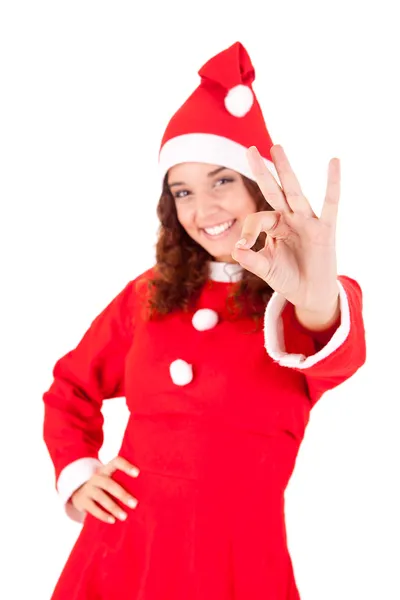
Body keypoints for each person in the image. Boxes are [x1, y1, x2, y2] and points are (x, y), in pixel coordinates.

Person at [42, 41, 366, 600]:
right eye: (183, 191)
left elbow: (335, 347)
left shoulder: (302, 304)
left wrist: (314, 295)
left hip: (236, 567)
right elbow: (70, 387)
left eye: (222, 181)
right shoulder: (146, 296)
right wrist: (77, 473)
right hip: (121, 558)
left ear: (258, 187)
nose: (203, 210)